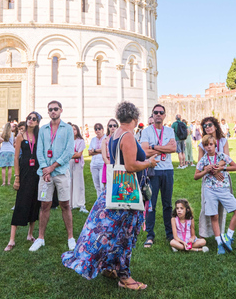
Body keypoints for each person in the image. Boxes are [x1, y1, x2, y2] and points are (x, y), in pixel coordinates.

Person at [62, 101, 157, 290]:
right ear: (136, 119)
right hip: (127, 192)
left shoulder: (114, 135)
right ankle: (125, 277)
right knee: (125, 235)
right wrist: (148, 163)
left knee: (112, 232)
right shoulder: (128, 135)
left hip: (115, 189)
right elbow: (130, 166)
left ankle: (109, 268)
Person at [29, 101, 76, 252]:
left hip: (61, 172)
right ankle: (40, 238)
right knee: (44, 205)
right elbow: (40, 151)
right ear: (48, 112)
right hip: (45, 173)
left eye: (56, 109)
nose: (53, 111)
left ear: (61, 110)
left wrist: (52, 167)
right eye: (50, 110)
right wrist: (45, 169)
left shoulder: (67, 128)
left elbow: (69, 151)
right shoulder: (43, 129)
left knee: (65, 204)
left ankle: (70, 237)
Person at [195, 134, 236, 254]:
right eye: (206, 145)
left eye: (211, 144)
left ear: (215, 145)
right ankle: (219, 243)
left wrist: (222, 169)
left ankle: (228, 236)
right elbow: (196, 176)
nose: (209, 147)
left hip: (223, 189)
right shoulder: (204, 160)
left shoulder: (222, 156)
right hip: (209, 190)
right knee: (214, 216)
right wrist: (205, 171)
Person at [138, 103, 177, 248]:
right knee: (151, 205)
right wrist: (163, 149)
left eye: (161, 112)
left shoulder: (170, 131)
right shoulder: (147, 131)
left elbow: (173, 148)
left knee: (167, 204)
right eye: (156, 112)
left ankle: (170, 234)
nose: (158, 114)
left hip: (167, 170)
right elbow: (144, 152)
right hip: (153, 170)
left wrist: (153, 147)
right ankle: (150, 235)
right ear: (152, 115)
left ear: (165, 115)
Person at [7, 111, 43, 251]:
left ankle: (30, 234)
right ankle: (12, 239)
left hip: (36, 172)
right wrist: (17, 177)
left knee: (35, 202)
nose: (31, 120)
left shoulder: (39, 136)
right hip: (24, 171)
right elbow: (16, 158)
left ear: (37, 122)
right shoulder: (20, 136)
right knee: (20, 202)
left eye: (34, 119)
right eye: (29, 118)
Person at [197, 116, 230, 238]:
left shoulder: (223, 141)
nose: (207, 127)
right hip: (209, 179)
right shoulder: (202, 145)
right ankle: (204, 234)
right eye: (205, 126)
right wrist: (214, 171)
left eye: (210, 125)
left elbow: (226, 159)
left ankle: (220, 233)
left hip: (223, 178)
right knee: (206, 207)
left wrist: (216, 168)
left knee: (221, 207)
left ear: (215, 126)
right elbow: (200, 163)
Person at [70, 124, 88, 213]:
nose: (73, 131)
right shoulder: (67, 141)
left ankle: (81, 204)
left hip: (77, 164)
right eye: (71, 129)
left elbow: (79, 154)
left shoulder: (80, 141)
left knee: (79, 183)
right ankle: (70, 203)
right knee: (69, 183)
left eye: (74, 129)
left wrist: (70, 155)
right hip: (69, 164)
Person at [88, 122, 106, 197]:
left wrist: (94, 150)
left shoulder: (105, 138)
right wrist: (100, 150)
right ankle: (99, 201)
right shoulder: (93, 139)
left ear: (103, 130)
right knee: (97, 186)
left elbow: (105, 150)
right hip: (94, 164)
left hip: (102, 164)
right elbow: (89, 152)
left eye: (99, 129)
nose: (97, 131)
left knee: (103, 185)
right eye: (96, 129)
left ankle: (104, 200)